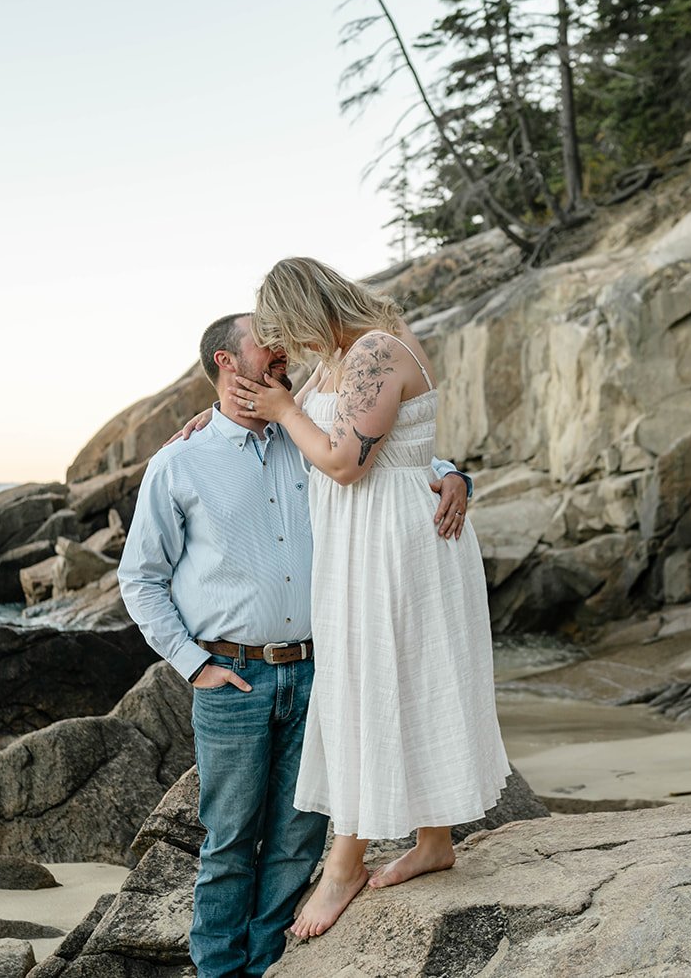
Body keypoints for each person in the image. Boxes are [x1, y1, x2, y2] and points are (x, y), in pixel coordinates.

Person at [116, 311, 471, 978]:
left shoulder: (304, 432)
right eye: (263, 341)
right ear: (227, 361)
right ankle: (220, 970)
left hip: (319, 670)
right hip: (233, 676)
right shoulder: (180, 462)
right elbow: (139, 579)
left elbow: (388, 453)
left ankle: (268, 964)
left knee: (298, 836)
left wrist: (455, 476)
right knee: (227, 842)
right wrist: (195, 666)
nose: (279, 349)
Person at [227, 257, 510, 940]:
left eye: (286, 330)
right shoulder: (341, 358)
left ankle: (344, 862)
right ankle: (434, 840)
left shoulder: (376, 349)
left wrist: (285, 408)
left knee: (373, 685)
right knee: (389, 680)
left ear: (307, 308)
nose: (287, 349)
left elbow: (349, 462)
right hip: (361, 542)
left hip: (393, 542)